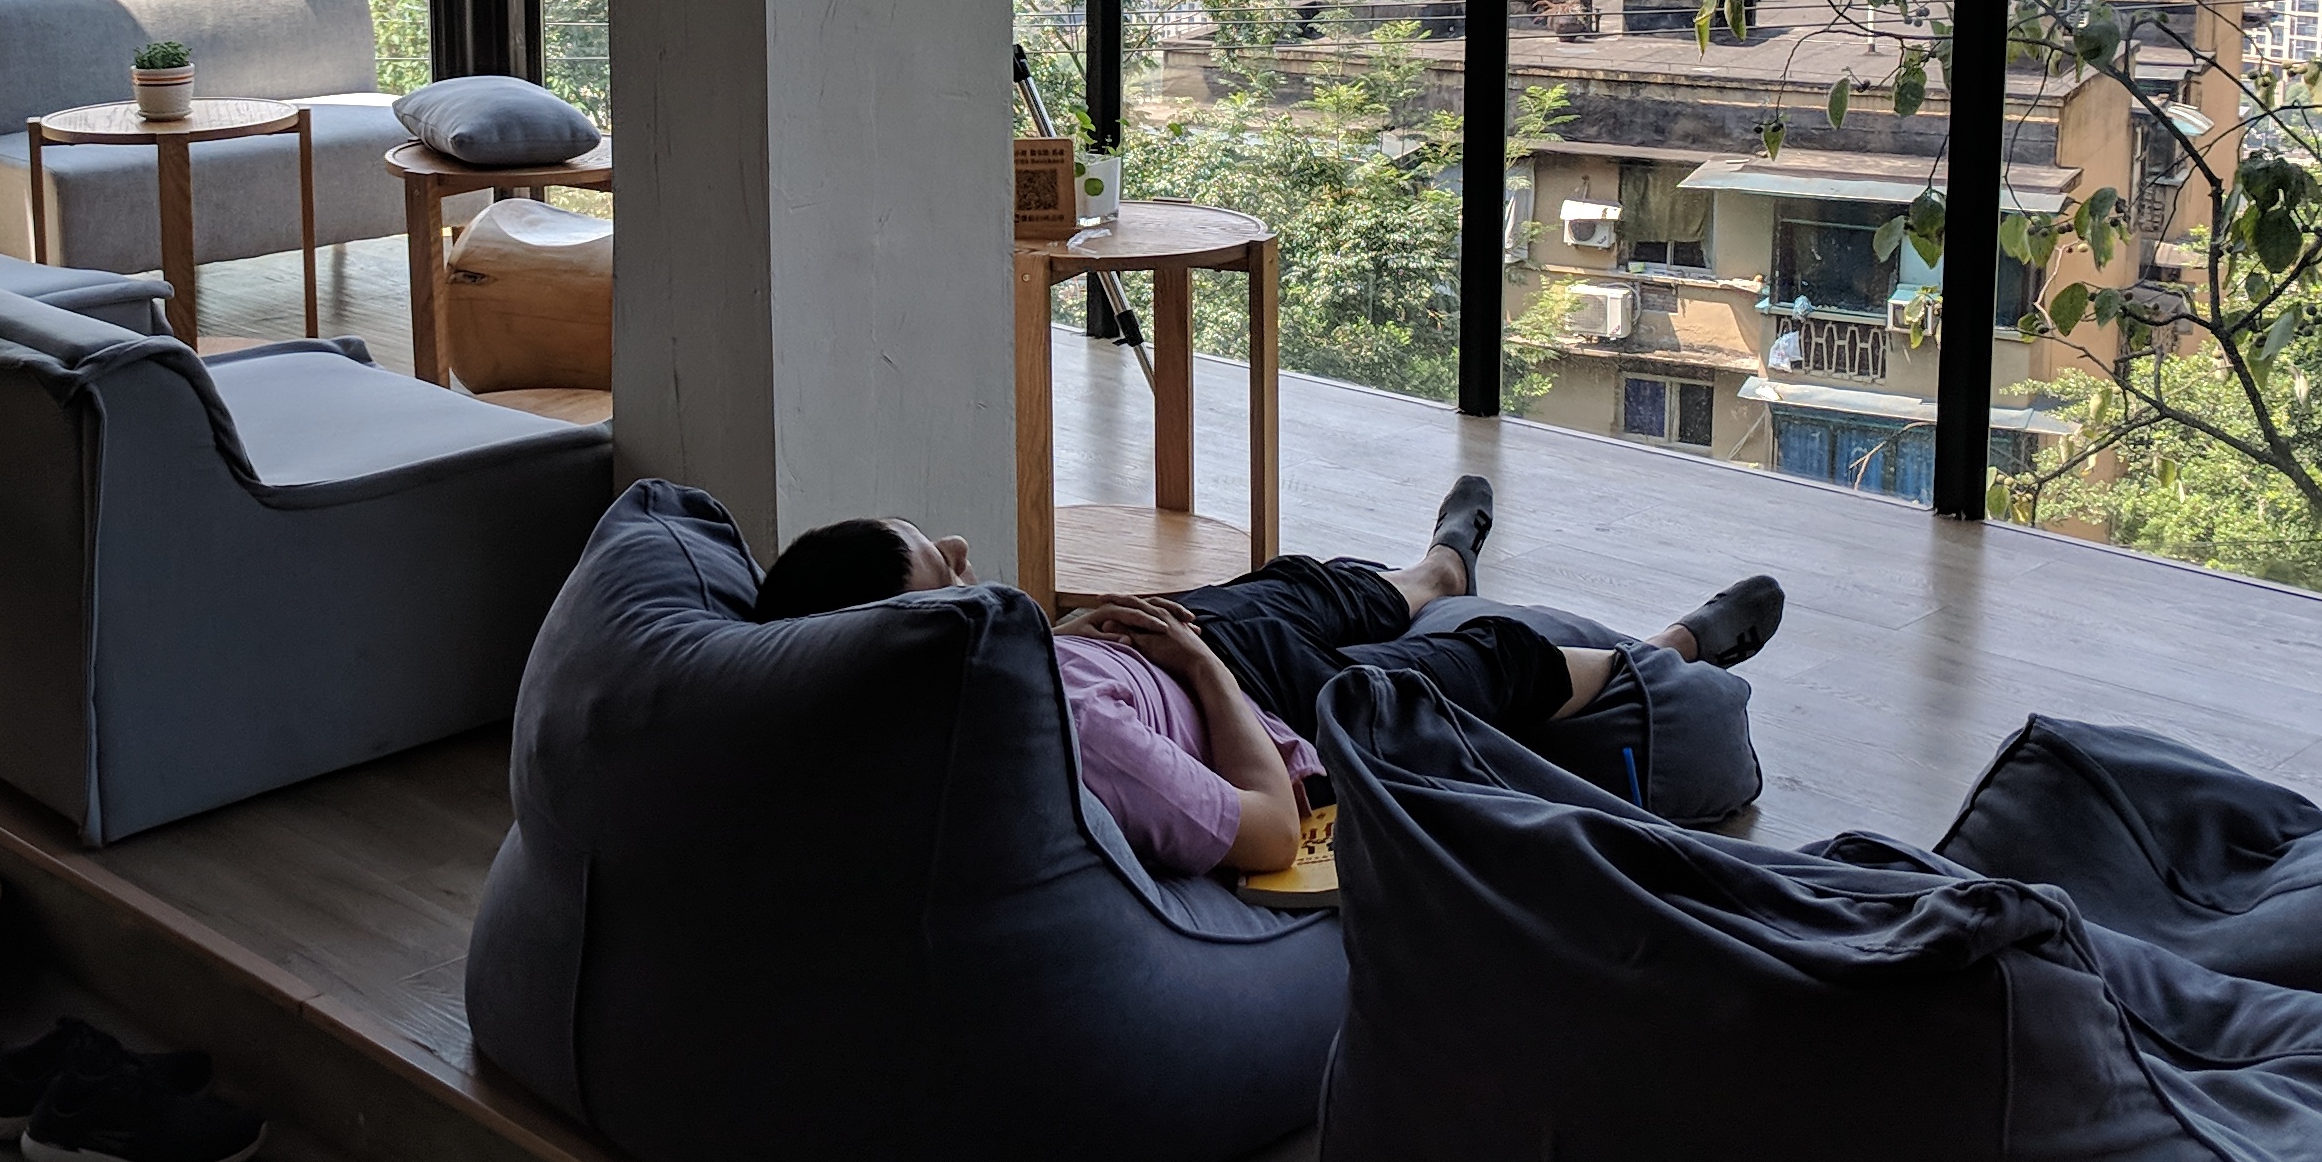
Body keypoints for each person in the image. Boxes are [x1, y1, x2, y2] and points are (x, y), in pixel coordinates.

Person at [749, 475, 1781, 877]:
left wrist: (1153, 640)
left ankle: (1440, 564)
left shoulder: (979, 684)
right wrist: (1200, 674)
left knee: (1313, 583)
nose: (964, 539)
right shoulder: (1068, 740)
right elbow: (1269, 827)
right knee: (1492, 657)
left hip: (1175, 646)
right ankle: (1675, 649)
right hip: (1269, 707)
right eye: (945, 570)